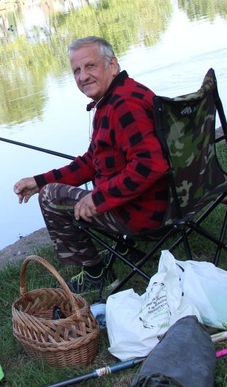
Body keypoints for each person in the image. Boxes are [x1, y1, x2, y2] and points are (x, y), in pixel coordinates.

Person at [12, 36, 169, 293]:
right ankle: (116, 253)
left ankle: (96, 274)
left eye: (90, 66)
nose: (83, 76)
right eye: (77, 70)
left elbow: (151, 164)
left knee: (52, 197)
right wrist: (39, 182)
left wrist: (99, 197)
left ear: (113, 65)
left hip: (143, 213)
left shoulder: (122, 105)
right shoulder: (120, 95)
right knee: (49, 189)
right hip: (158, 201)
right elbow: (90, 162)